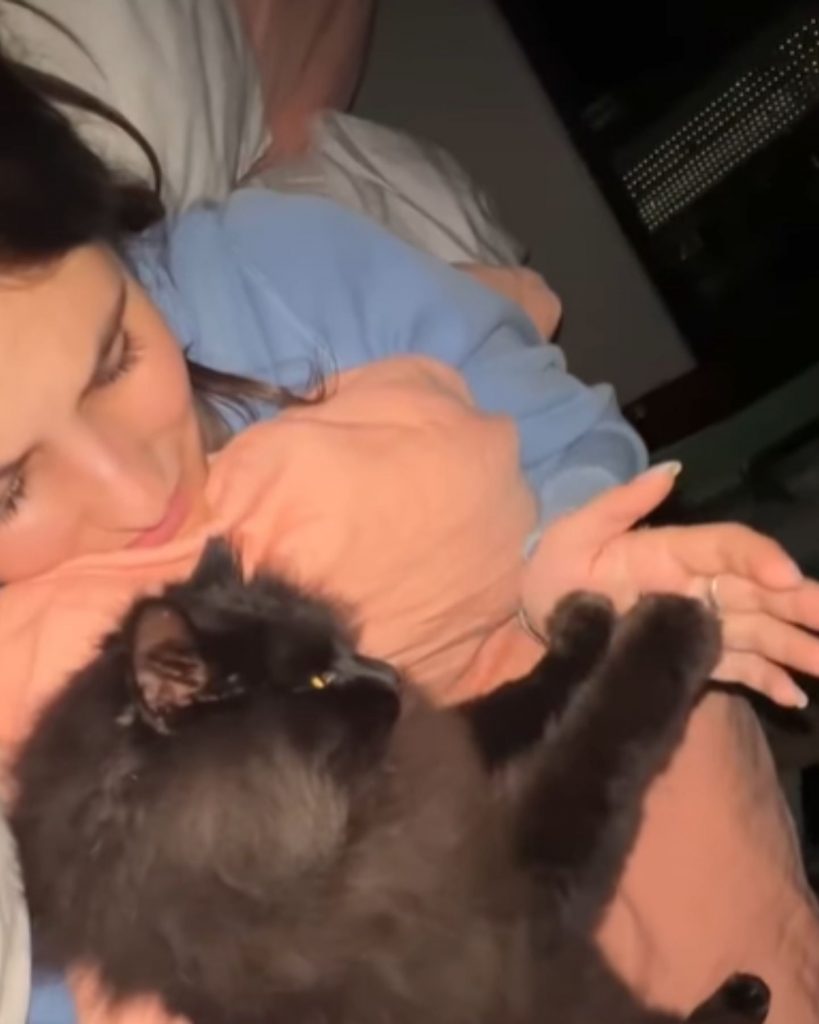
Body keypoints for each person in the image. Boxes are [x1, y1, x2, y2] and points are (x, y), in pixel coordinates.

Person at [1, 49, 818, 1024]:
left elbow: (557, 432)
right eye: (7, 487)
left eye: (115, 356)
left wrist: (572, 542)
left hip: (698, 878)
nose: (137, 492)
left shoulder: (273, 268)